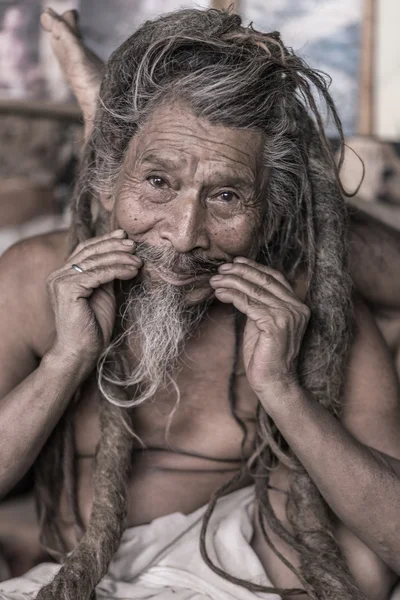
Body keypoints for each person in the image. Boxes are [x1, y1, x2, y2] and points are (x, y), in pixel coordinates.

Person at [0, 7, 400, 600]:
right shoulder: (38, 277)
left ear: (269, 212)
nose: (185, 235)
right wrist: (66, 360)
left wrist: (284, 391)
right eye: (158, 182)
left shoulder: (308, 306)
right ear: (108, 182)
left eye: (228, 196)